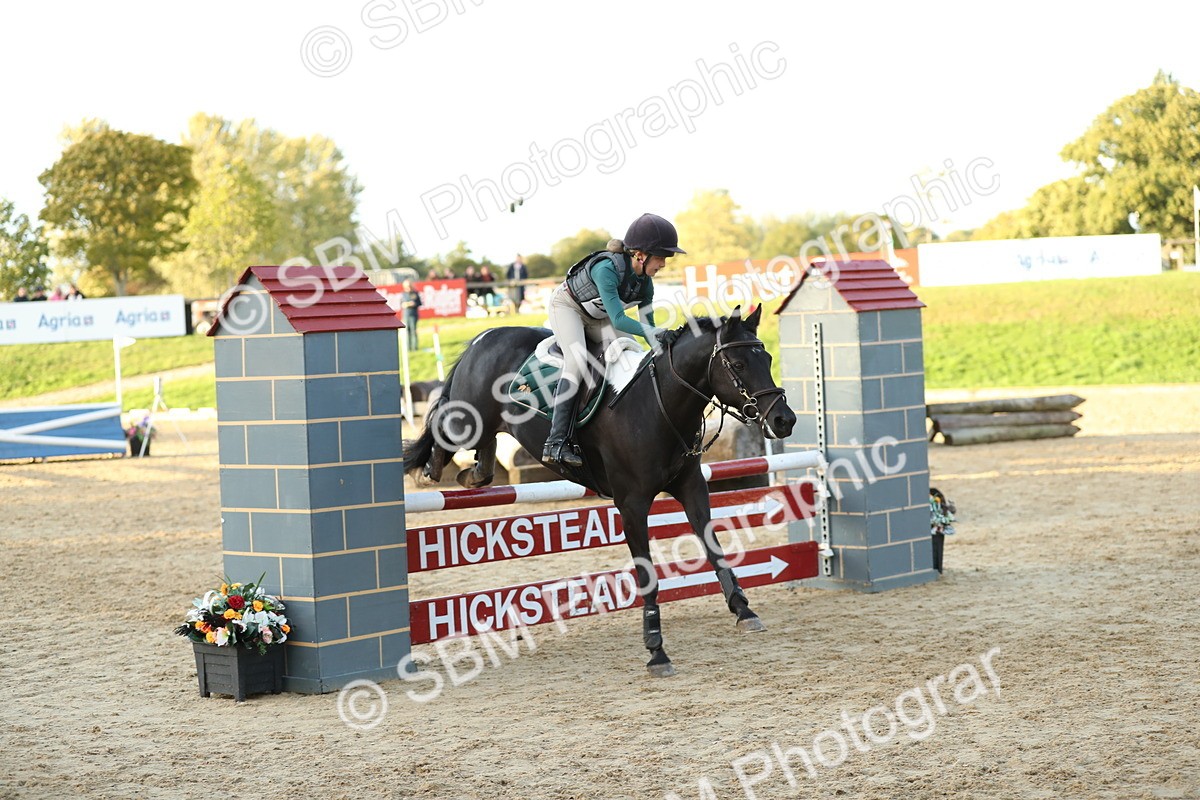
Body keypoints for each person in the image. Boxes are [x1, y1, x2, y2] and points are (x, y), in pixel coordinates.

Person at [542, 212, 684, 467]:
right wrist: (655, 333)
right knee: (576, 361)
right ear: (640, 254)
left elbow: (647, 328)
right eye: (661, 258)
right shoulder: (607, 270)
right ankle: (556, 442)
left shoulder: (646, 284)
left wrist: (663, 350)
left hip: (599, 316)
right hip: (568, 308)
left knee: (633, 350)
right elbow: (620, 320)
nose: (663, 264)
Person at [399, 279, 422, 351]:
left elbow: (419, 303)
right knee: (407, 332)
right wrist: (404, 304)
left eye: (409, 286)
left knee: (413, 331)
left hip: (413, 315)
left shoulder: (415, 293)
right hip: (406, 315)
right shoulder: (403, 294)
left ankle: (415, 347)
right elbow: (401, 304)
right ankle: (408, 347)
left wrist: (414, 304)